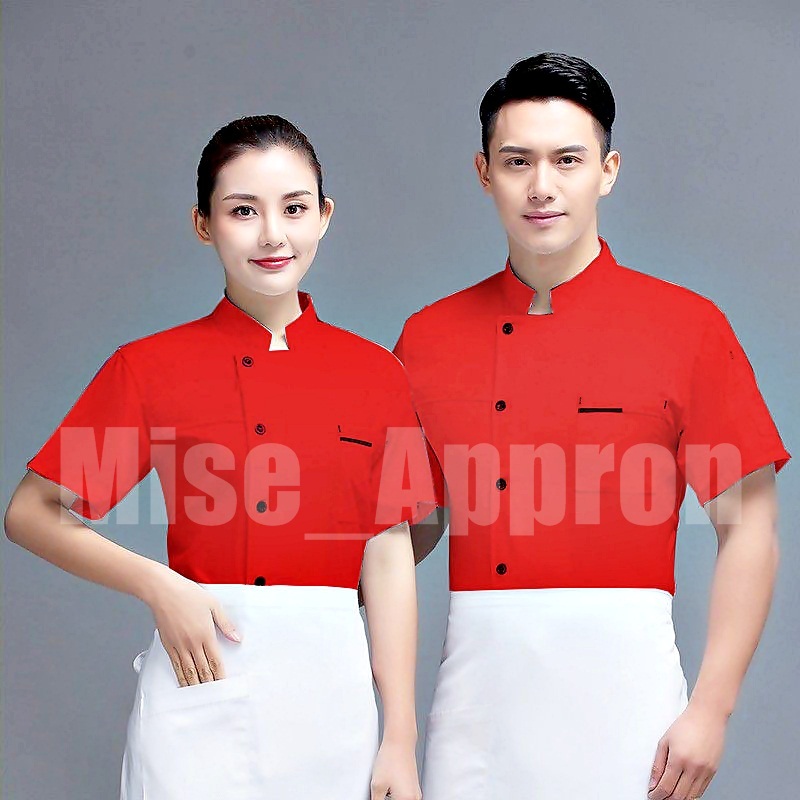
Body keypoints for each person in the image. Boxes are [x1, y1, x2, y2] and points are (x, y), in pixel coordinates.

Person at [4, 114, 440, 800]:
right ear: (203, 224)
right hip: (199, 681)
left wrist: (400, 740)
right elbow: (30, 512)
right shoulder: (152, 367)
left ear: (323, 216)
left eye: (293, 208)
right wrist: (159, 586)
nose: (272, 235)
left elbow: (387, 558)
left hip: (331, 700)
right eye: (243, 211)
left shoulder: (376, 375)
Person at [392, 53, 791, 800]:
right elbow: (406, 531)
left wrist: (711, 709)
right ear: (484, 173)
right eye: (517, 162)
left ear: (607, 171)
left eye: (567, 160)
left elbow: (751, 529)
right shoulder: (428, 336)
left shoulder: (687, 327)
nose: (541, 186)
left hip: (629, 703)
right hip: (475, 703)